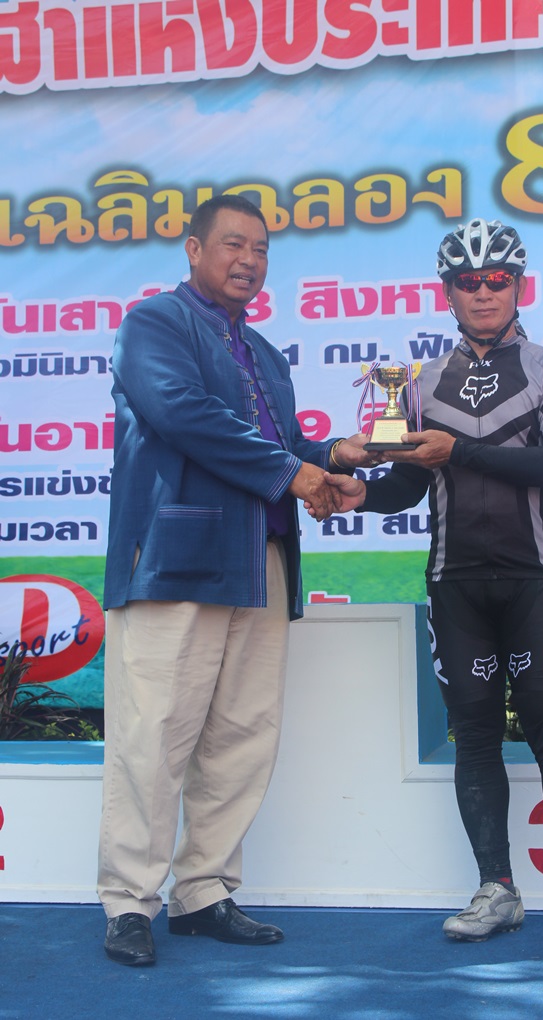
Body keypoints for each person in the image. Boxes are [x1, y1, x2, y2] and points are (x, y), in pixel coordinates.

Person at [320, 218, 543, 958]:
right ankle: (496, 889)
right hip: (455, 584)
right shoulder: (420, 385)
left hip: (534, 579)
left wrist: (463, 451)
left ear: (519, 285)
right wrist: (360, 494)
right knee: (474, 735)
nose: (484, 292)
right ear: (447, 292)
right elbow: (410, 483)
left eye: (497, 279)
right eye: (468, 281)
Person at [98, 194, 370, 966]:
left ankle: (204, 891)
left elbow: (282, 445)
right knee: (153, 734)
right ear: (193, 249)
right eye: (233, 244)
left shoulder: (266, 353)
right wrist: (295, 473)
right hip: (177, 558)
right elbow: (183, 414)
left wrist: (334, 459)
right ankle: (129, 901)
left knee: (241, 737)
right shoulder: (154, 324)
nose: (249, 260)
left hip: (261, 562)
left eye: (261, 249)